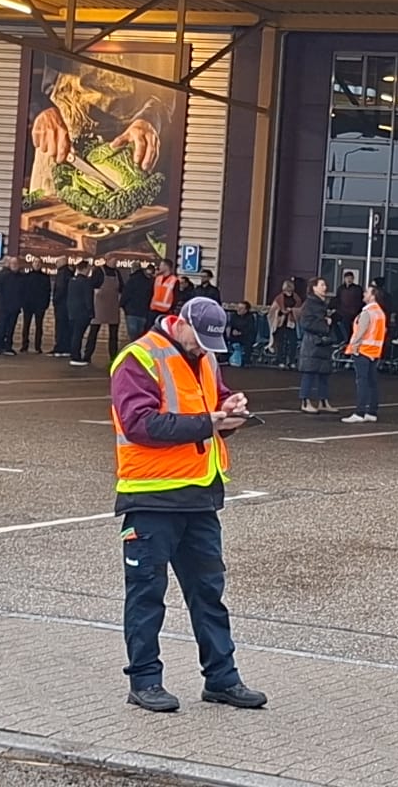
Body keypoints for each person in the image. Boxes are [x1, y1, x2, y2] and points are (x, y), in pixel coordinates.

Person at [109, 298, 265, 714]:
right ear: (179, 323)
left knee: (209, 593)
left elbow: (215, 406)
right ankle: (145, 681)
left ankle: (222, 678)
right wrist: (209, 422)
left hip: (199, 497)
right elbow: (140, 424)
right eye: (199, 340)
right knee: (147, 594)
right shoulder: (139, 358)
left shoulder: (206, 358)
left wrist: (230, 411)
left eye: (211, 344)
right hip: (151, 498)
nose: (203, 349)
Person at [341, 288, 386, 424]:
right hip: (374, 351)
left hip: (363, 350)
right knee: (372, 382)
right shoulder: (380, 312)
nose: (364, 294)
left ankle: (359, 412)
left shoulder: (367, 312)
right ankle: (372, 411)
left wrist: (353, 347)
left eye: (367, 292)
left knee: (362, 382)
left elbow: (360, 332)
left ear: (372, 296)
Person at [297, 277, 336, 414]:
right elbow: (305, 323)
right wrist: (325, 324)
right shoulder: (309, 304)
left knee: (324, 372)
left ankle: (323, 401)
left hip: (323, 342)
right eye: (322, 285)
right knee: (309, 372)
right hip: (313, 343)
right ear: (314, 288)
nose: (325, 287)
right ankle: (305, 401)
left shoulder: (321, 304)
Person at [88, 261, 123, 366]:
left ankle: (113, 357)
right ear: (108, 260)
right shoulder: (99, 271)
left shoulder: (117, 272)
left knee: (113, 335)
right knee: (93, 332)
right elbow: (91, 286)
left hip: (113, 307)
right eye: (113, 260)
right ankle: (87, 356)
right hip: (99, 307)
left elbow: (121, 287)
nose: (115, 262)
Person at [0, 257, 24, 356]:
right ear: (9, 264)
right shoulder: (2, 275)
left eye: (16, 263)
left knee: (10, 327)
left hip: (15, 307)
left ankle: (7, 347)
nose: (15, 265)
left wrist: (20, 303)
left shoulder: (21, 277)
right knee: (1, 326)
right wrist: (0, 302)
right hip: (4, 306)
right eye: (13, 263)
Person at [67, 259, 98, 365]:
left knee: (74, 335)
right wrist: (91, 312)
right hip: (83, 313)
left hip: (72, 312)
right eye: (88, 268)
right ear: (84, 269)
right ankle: (76, 357)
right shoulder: (86, 282)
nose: (89, 270)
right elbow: (88, 298)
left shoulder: (72, 281)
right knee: (78, 335)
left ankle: (74, 354)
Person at [267, 279, 300, 367]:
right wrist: (281, 311)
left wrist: (292, 310)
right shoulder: (279, 298)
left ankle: (291, 361)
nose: (288, 290)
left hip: (291, 322)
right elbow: (273, 310)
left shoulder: (296, 298)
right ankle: (281, 360)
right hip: (280, 322)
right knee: (280, 342)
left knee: (293, 342)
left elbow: (299, 309)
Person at [21, 258, 51, 354]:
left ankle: (38, 346)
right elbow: (23, 291)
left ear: (41, 265)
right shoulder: (26, 276)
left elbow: (47, 292)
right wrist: (23, 303)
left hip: (40, 306)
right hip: (28, 305)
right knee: (26, 325)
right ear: (32, 264)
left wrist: (45, 304)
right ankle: (24, 345)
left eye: (39, 263)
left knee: (39, 326)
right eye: (35, 262)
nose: (37, 264)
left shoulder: (45, 277)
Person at [123, 262, 155, 341]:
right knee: (140, 336)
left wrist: (122, 305)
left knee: (132, 335)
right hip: (143, 312)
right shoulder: (149, 280)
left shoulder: (132, 279)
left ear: (132, 269)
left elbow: (126, 294)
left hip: (131, 311)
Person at [51, 260, 76, 356]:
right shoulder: (69, 272)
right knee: (67, 327)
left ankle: (60, 348)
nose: (56, 264)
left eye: (57, 262)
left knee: (60, 327)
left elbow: (60, 288)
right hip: (68, 305)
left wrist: (55, 300)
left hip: (61, 305)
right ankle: (66, 348)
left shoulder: (62, 273)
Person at [226, 301, 258, 367]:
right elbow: (231, 325)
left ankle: (246, 361)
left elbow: (250, 329)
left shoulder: (250, 317)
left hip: (246, 336)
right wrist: (232, 331)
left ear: (246, 310)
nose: (238, 309)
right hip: (235, 335)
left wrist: (240, 333)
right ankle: (226, 358)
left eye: (241, 308)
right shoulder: (234, 316)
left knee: (248, 342)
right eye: (238, 307)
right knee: (226, 339)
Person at [333, 270, 363, 337]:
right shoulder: (341, 288)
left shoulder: (357, 289)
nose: (349, 280)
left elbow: (360, 300)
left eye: (350, 278)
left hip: (353, 312)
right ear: (344, 279)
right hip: (342, 312)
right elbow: (337, 299)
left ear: (353, 279)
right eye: (347, 278)